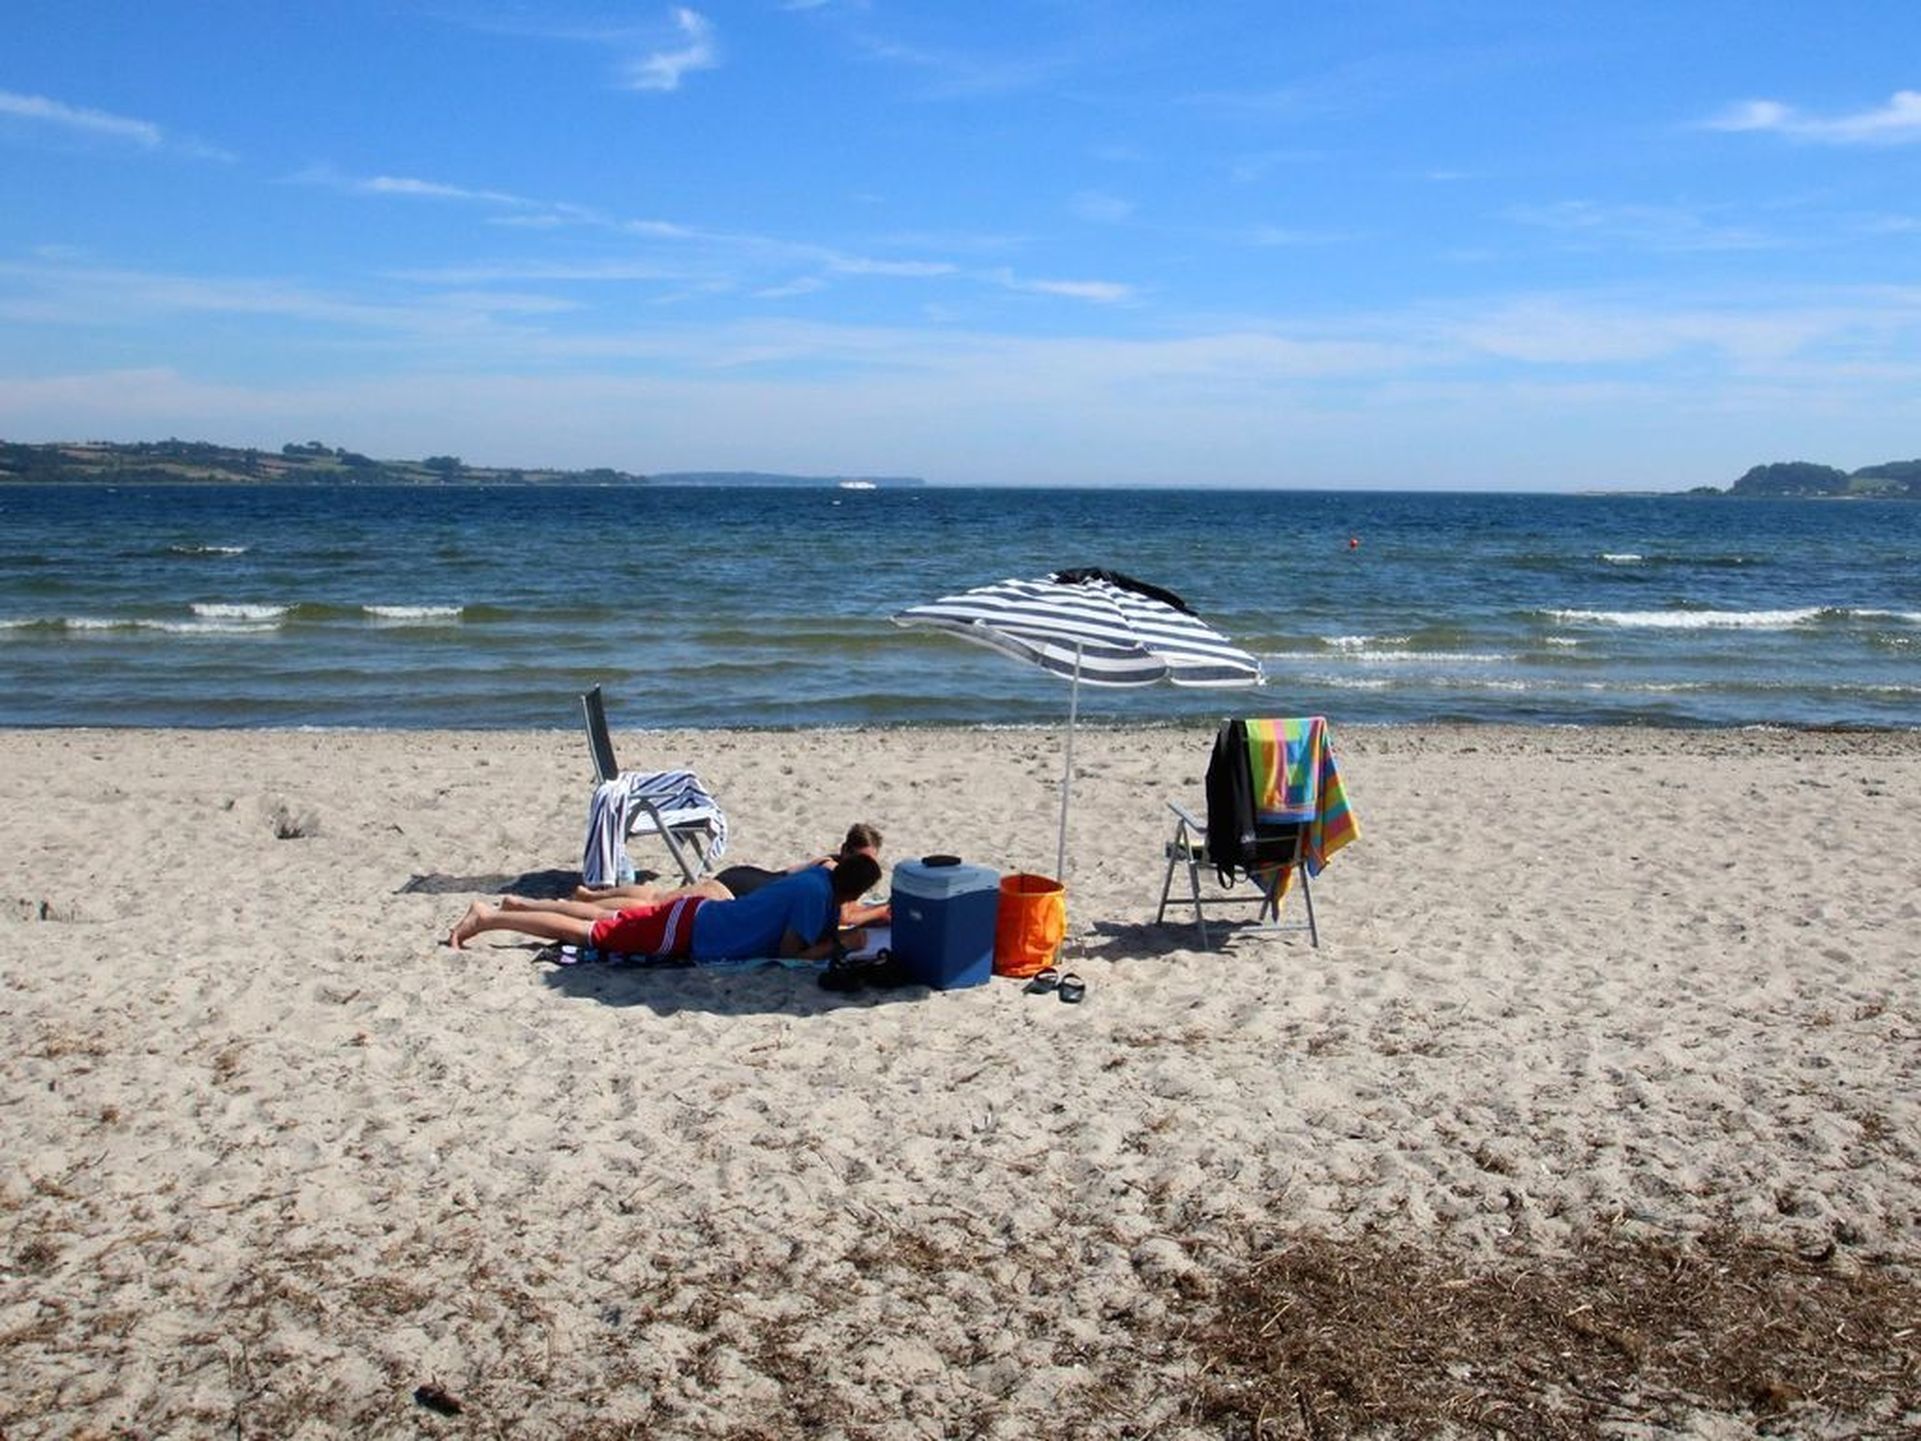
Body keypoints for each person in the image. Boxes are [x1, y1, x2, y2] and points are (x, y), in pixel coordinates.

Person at [448, 852, 882, 963]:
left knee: (605, 919)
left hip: (695, 916)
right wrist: (839, 945)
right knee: (587, 933)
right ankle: (490, 918)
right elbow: (789, 953)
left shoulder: (817, 880)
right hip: (691, 932)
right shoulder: (815, 896)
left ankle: (513, 907)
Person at [544, 821, 889, 927]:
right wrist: (883, 911)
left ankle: (591, 895)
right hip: (736, 892)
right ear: (845, 850)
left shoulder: (830, 862)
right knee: (652, 907)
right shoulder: (832, 870)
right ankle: (577, 907)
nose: (866, 868)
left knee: (657, 896)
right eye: (863, 859)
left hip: (749, 877)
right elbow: (845, 916)